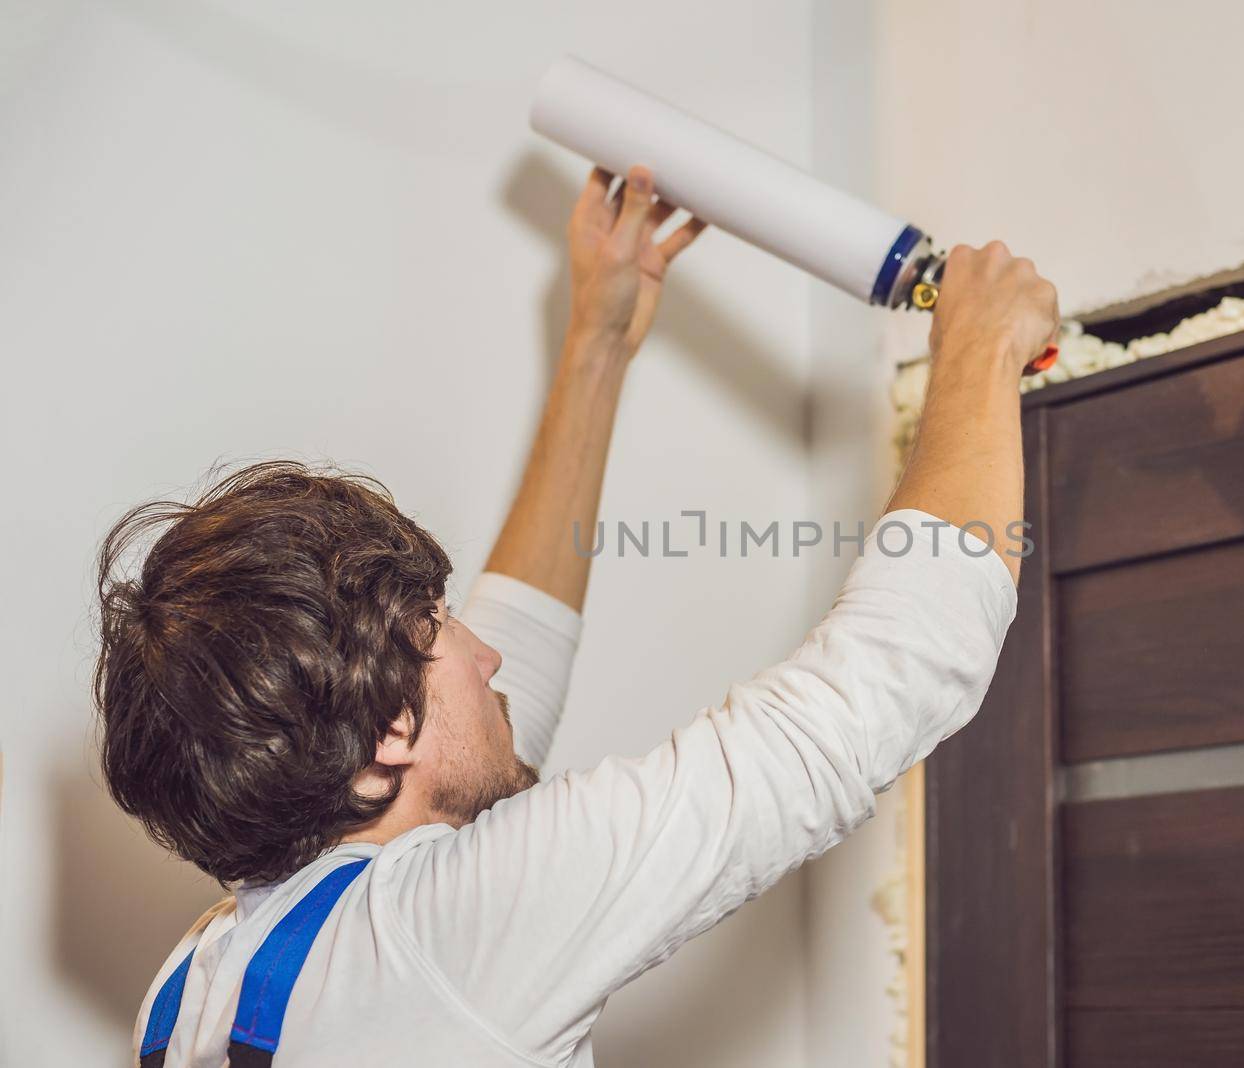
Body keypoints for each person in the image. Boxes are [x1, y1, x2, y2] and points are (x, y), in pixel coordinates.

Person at [96, 163, 1059, 1067]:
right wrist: (978, 346)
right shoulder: (452, 937)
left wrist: (595, 345)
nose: (487, 656)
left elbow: (492, 693)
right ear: (387, 731)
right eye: (441, 629)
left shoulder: (196, 985)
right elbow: (887, 677)